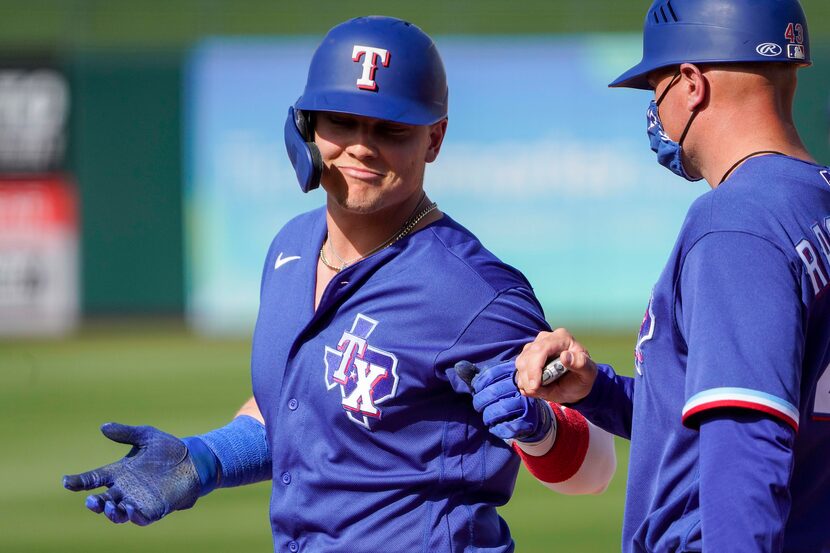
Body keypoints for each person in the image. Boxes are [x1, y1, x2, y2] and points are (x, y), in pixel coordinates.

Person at [63, 16, 616, 551]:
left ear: (435, 138)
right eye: (342, 121)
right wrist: (204, 459)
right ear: (306, 125)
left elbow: (595, 465)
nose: (361, 146)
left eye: (391, 128)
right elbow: (304, 409)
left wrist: (538, 428)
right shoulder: (291, 248)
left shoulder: (475, 292)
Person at [509, 0, 830, 551]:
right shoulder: (816, 203)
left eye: (654, 85)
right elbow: (747, 408)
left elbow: (746, 446)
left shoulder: (736, 223)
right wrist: (599, 392)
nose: (653, 107)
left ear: (691, 83)